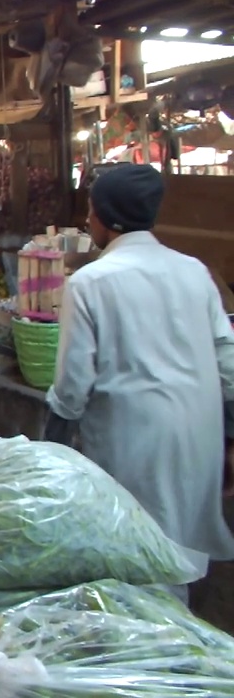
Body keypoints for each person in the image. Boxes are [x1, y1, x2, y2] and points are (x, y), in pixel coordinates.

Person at [44, 164, 234, 602]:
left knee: (140, 554)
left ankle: (159, 654)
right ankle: (179, 639)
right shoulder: (193, 270)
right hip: (198, 432)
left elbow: (73, 385)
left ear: (107, 219)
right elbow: (227, 360)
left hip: (133, 438)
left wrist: (51, 443)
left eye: (91, 213)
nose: (88, 221)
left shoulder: (90, 282)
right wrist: (229, 437)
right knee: (179, 545)